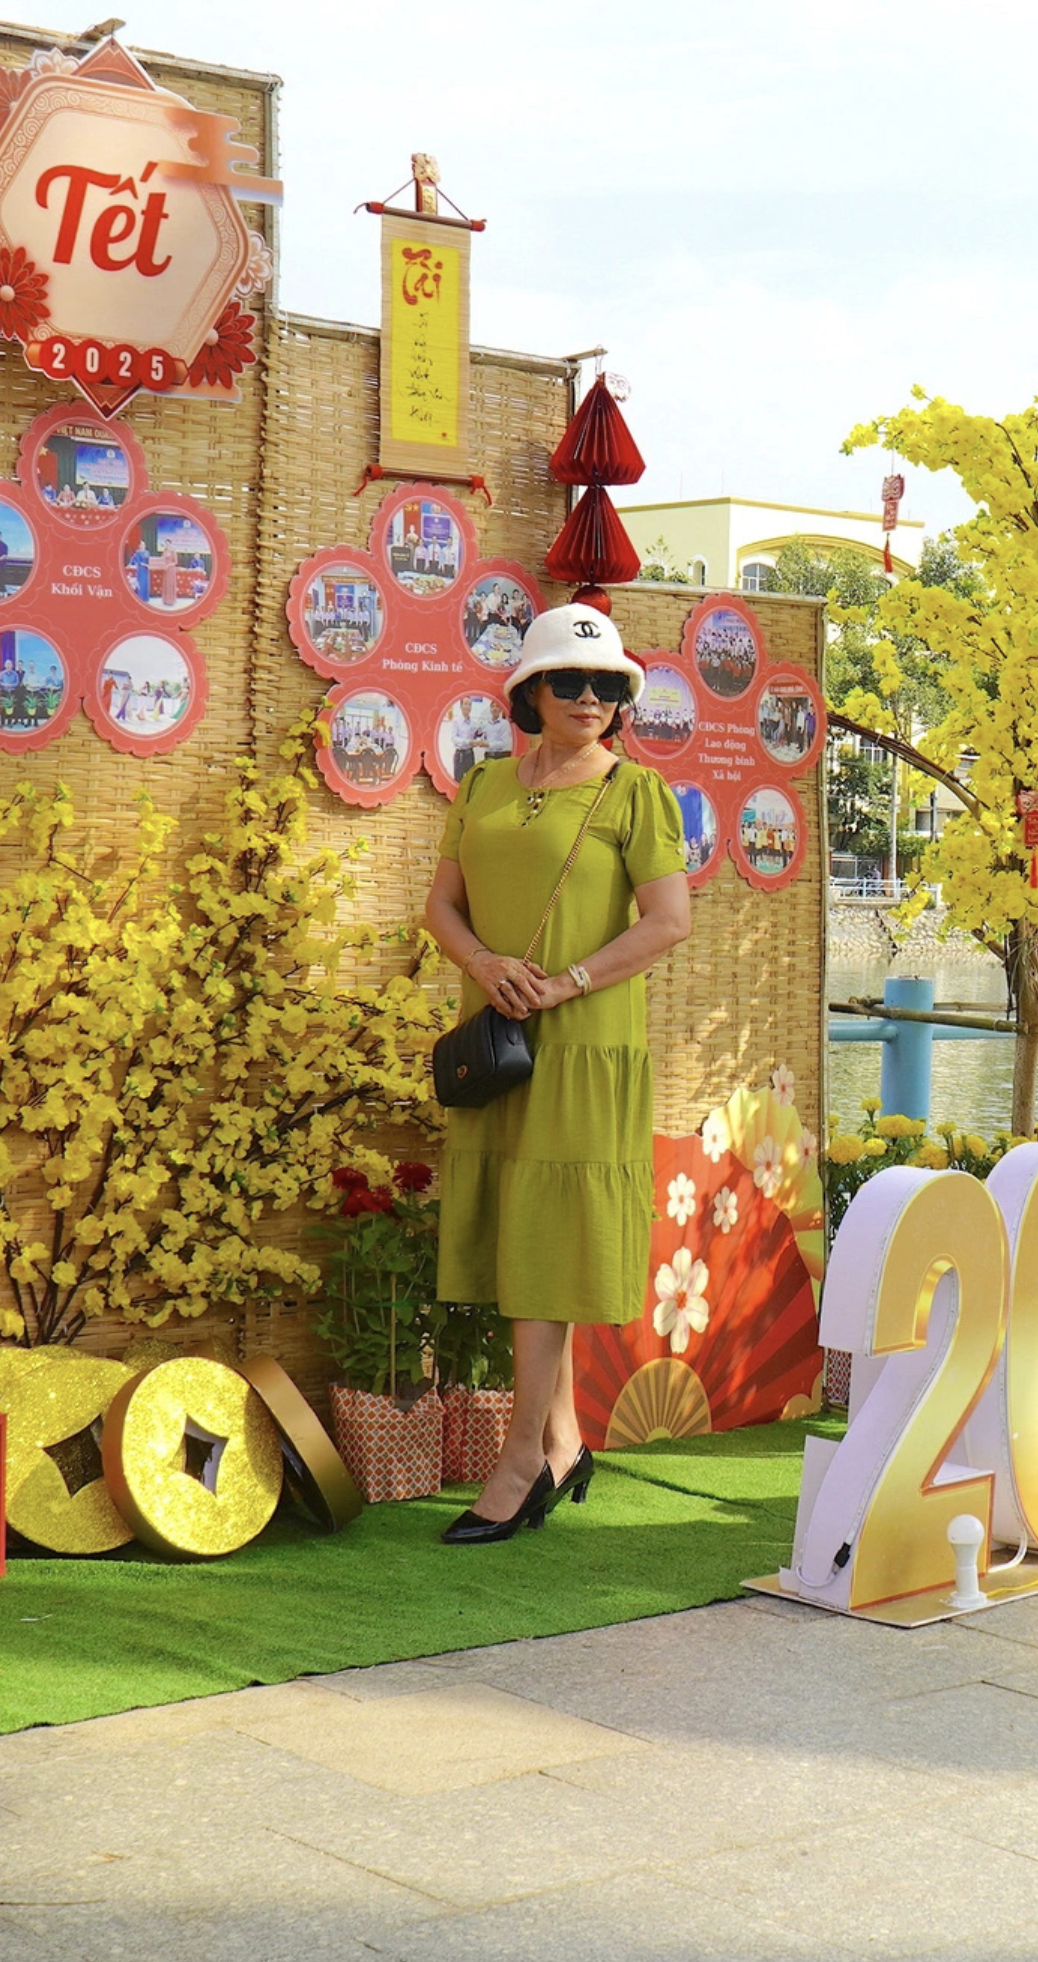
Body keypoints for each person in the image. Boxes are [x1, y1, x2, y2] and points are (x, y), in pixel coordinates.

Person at [423, 603, 690, 1543]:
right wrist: (487, 968)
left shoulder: (634, 794)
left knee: (546, 1252)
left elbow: (668, 922)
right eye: (570, 682)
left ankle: (520, 1460)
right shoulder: (485, 784)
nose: (590, 698)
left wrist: (567, 981)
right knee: (524, 1237)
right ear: (530, 691)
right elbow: (441, 908)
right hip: (497, 1035)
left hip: (584, 1046)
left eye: (608, 685)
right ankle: (567, 1440)